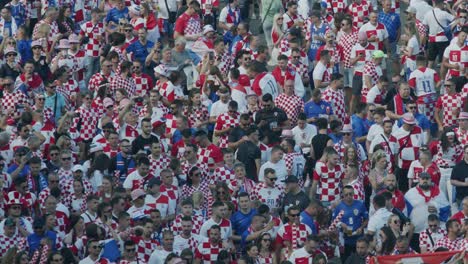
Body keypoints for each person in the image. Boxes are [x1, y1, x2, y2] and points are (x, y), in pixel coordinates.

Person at [404, 172, 450, 252]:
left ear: (431, 180)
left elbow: (446, 210)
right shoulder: (410, 193)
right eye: (423, 179)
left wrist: (437, 209)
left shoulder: (439, 193)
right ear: (419, 180)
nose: (425, 180)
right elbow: (404, 212)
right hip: (416, 232)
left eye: (427, 179)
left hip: (434, 232)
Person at [333, 185, 369, 260]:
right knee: (346, 261)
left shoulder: (360, 204)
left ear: (353, 194)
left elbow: (366, 219)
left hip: (358, 240)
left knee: (360, 261)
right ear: (342, 195)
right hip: (345, 240)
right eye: (346, 194)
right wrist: (341, 224)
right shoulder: (339, 207)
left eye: (350, 194)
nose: (349, 196)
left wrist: (361, 228)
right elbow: (334, 222)